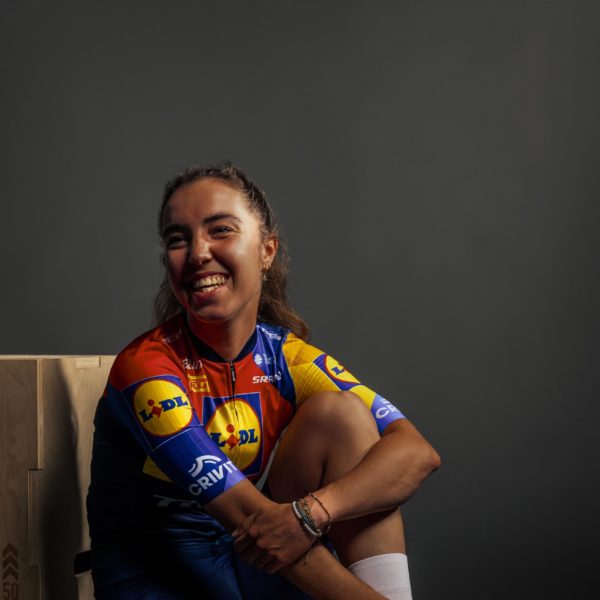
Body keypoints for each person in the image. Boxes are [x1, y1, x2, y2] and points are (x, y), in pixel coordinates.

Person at [87, 163, 441, 600]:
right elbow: (255, 523)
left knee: (339, 417)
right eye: (178, 239)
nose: (197, 253)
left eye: (221, 230)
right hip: (164, 581)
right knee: (277, 523)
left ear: (266, 251)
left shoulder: (287, 357)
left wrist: (314, 511)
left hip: (249, 565)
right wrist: (298, 522)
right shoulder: (146, 367)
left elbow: (416, 452)